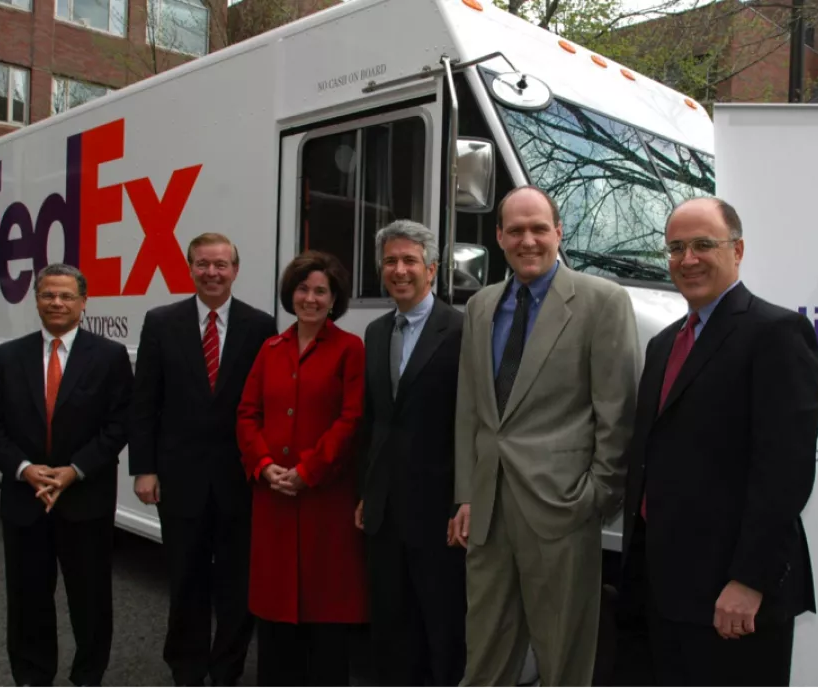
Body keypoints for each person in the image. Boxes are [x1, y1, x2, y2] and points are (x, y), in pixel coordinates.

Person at [621, 197, 818, 687]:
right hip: (664, 592)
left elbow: (784, 471)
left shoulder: (776, 333)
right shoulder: (662, 344)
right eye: (676, 248)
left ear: (738, 250)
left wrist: (749, 580)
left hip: (732, 598)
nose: (688, 259)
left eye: (704, 245)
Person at [451, 186, 640, 687]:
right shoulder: (481, 306)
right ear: (498, 237)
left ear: (559, 232)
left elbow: (617, 413)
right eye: (515, 230)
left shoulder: (602, 302)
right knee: (485, 653)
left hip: (562, 510)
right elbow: (472, 409)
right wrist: (467, 496)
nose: (527, 239)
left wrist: (595, 497)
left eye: (539, 228)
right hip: (489, 512)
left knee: (564, 658)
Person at [128, 233, 276, 688]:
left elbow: (265, 404)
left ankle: (227, 668)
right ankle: (187, 670)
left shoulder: (260, 325)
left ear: (235, 269)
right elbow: (144, 402)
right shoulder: (161, 322)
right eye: (202, 264)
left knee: (236, 586)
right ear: (189, 267)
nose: (212, 272)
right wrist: (144, 468)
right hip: (179, 479)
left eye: (221, 264)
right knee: (185, 581)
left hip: (240, 480)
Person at [0, 264, 133, 688]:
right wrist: (25, 469)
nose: (57, 302)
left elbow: (119, 425)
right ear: (36, 300)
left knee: (90, 602)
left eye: (66, 296)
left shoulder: (109, 356)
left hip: (85, 498)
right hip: (24, 498)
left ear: (83, 303)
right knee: (27, 599)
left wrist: (73, 471)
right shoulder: (7, 356)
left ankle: (88, 676)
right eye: (48, 295)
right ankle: (32, 677)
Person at [237, 250, 367, 687]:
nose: (310, 298)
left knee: (327, 617)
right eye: (302, 289)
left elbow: (351, 420)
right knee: (274, 623)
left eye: (320, 291)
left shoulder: (351, 350)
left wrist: (308, 470)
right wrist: (264, 464)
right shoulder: (269, 349)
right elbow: (247, 414)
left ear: (334, 300)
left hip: (325, 504)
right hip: (273, 500)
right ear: (290, 294)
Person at [356, 220, 466, 686]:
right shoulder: (376, 332)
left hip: (439, 513)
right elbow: (374, 421)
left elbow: (471, 423)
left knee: (442, 630)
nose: (399, 270)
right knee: (391, 627)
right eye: (390, 262)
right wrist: (366, 492)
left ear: (432, 269)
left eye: (409, 261)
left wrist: (465, 501)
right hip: (384, 512)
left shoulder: (461, 330)